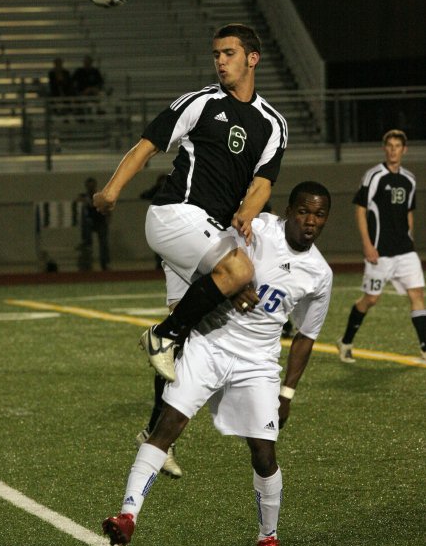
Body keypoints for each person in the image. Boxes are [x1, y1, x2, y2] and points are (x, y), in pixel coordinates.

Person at [102, 181, 333, 546]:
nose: (310, 221)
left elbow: (306, 337)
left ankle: (268, 539)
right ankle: (127, 516)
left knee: (264, 453)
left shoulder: (320, 274)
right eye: (304, 212)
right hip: (210, 342)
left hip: (258, 363)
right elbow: (208, 254)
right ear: (288, 211)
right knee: (168, 423)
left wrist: (288, 392)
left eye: (319, 215)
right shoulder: (255, 228)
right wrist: (232, 284)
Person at [94, 23, 288, 383]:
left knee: (192, 328)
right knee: (239, 273)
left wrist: (246, 213)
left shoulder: (272, 123)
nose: (221, 61)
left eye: (229, 53)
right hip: (176, 215)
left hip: (209, 232)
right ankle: (161, 335)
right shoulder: (201, 102)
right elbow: (147, 146)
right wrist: (111, 191)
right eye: (216, 54)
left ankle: (157, 435)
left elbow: (263, 183)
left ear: (253, 58)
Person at [337, 129, 425, 362]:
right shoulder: (373, 176)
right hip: (380, 250)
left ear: (404, 150)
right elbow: (360, 209)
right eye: (390, 145)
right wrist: (367, 244)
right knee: (371, 299)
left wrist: (410, 239)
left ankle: (425, 347)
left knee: (417, 294)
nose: (393, 149)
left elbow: (408, 213)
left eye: (398, 146)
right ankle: (345, 342)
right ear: (385, 148)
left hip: (405, 250)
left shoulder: (410, 179)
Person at [77, 177, 110, 271]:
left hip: (100, 221)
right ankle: (87, 264)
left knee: (103, 243)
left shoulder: (101, 195)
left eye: (92, 186)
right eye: (89, 186)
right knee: (87, 243)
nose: (91, 188)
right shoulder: (83, 197)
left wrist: (108, 218)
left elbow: (107, 208)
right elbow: (77, 204)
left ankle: (105, 263)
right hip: (88, 223)